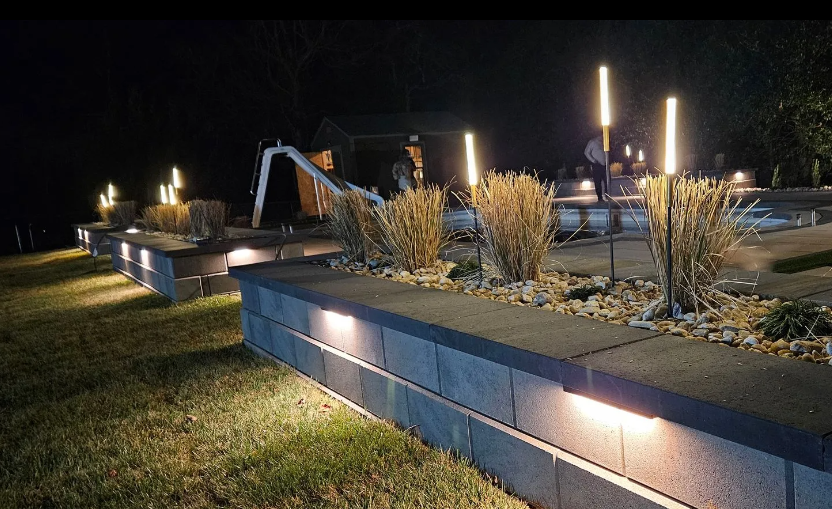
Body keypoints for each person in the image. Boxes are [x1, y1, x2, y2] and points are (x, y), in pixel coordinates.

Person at [584, 135, 608, 202]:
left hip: (605, 165)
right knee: (598, 182)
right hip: (597, 165)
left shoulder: (604, 142)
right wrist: (593, 161)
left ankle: (607, 196)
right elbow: (586, 152)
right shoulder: (592, 142)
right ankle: (600, 198)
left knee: (607, 181)